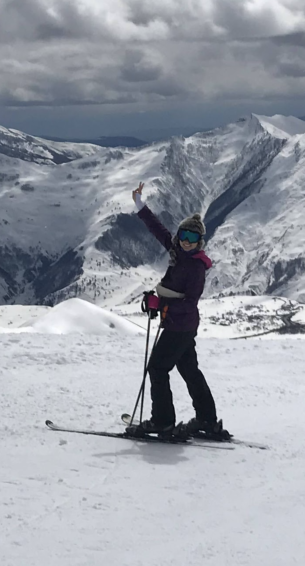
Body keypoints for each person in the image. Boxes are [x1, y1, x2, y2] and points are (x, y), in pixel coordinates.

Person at [126, 182, 230, 440]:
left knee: (157, 369)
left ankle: (163, 422)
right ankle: (206, 420)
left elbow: (190, 302)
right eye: (184, 235)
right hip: (181, 325)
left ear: (199, 242)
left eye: (192, 238)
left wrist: (161, 304)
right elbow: (158, 230)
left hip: (179, 326)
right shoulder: (177, 252)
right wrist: (139, 204)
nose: (186, 241)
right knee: (189, 370)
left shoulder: (195, 268)